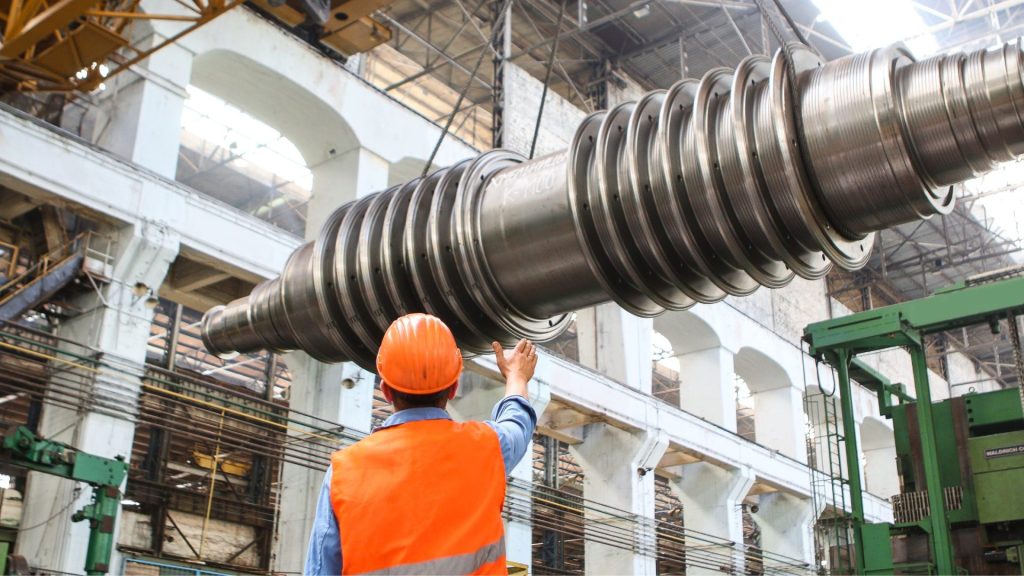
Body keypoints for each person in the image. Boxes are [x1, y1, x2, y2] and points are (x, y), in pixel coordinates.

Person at [304, 312, 539, 575]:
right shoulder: (488, 448)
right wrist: (516, 376)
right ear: (453, 388)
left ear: (385, 389)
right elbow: (518, 423)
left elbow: (321, 570)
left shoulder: (343, 474)